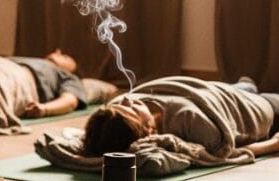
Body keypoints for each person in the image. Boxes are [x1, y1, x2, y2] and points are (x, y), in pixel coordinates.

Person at [82, 76, 279, 159]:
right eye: (131, 110)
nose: (126, 100)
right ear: (147, 132)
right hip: (257, 108)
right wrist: (272, 145)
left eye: (120, 104)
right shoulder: (191, 121)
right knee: (254, 93)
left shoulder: (121, 104)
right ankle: (246, 87)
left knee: (242, 87)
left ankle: (245, 85)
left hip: (215, 92)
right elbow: (225, 153)